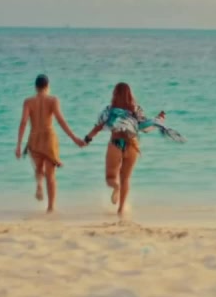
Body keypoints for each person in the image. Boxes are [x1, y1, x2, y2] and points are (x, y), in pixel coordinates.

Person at [82, 82, 182, 217]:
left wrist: (87, 139)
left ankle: (116, 187)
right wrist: (159, 119)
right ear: (130, 94)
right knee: (125, 179)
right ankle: (121, 210)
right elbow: (145, 126)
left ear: (114, 94)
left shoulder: (109, 110)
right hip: (132, 146)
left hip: (115, 144)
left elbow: (98, 127)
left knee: (110, 177)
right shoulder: (136, 110)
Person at [15, 74, 85, 213]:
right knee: (51, 175)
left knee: (38, 168)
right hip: (49, 138)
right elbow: (60, 120)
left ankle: (39, 185)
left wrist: (18, 145)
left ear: (36, 87)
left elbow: (23, 122)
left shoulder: (28, 102)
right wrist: (74, 138)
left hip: (34, 137)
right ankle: (51, 207)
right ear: (47, 86)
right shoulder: (53, 100)